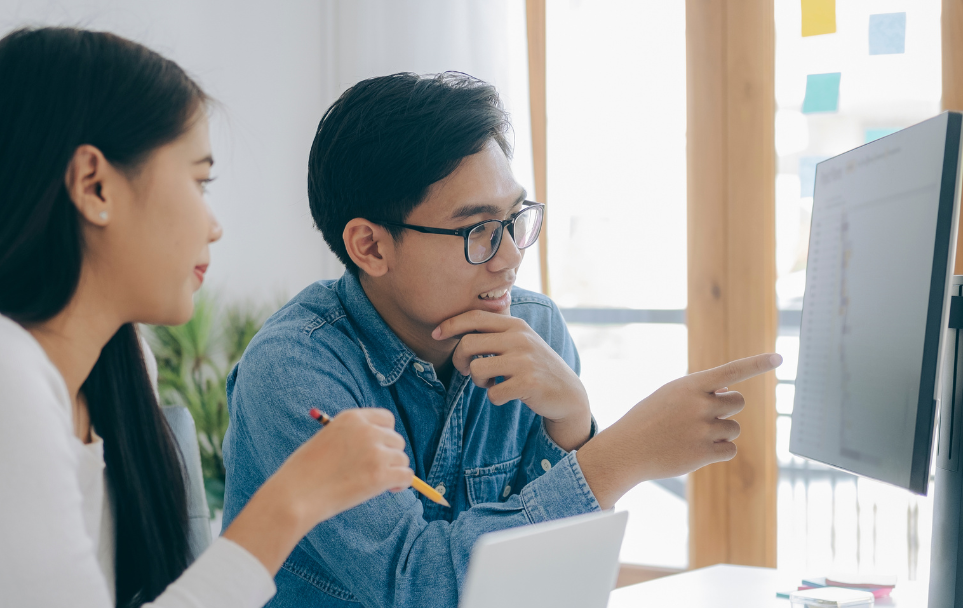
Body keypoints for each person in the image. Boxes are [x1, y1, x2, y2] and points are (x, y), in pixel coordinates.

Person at [0, 27, 415, 608]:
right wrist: (293, 499)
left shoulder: (116, 363)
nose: (215, 225)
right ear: (94, 185)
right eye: (199, 183)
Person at [221, 72, 782, 608]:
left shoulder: (535, 331)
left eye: (515, 219)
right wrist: (619, 457)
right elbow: (421, 587)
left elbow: (558, 582)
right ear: (370, 247)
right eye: (478, 230)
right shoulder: (293, 370)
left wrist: (575, 427)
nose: (512, 256)